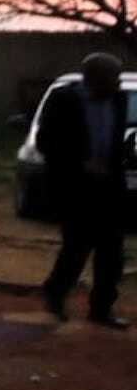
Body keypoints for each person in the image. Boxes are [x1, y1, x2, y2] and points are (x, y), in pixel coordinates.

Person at [39, 52, 130, 328]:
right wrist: (80, 164)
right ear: (95, 78)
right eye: (113, 77)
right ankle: (55, 294)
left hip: (109, 187)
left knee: (112, 253)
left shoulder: (118, 100)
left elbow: (116, 140)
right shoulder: (64, 100)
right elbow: (46, 142)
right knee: (76, 249)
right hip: (75, 188)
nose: (118, 82)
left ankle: (101, 309)